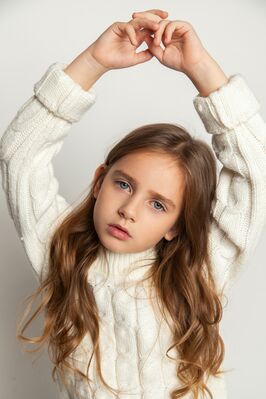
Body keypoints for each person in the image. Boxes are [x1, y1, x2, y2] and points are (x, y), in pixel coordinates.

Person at [0, 8, 265, 399]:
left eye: (159, 205)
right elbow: (20, 155)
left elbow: (255, 172)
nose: (130, 209)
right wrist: (93, 62)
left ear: (176, 225)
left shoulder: (200, 268)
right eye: (123, 184)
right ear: (98, 181)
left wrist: (202, 69)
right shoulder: (63, 255)